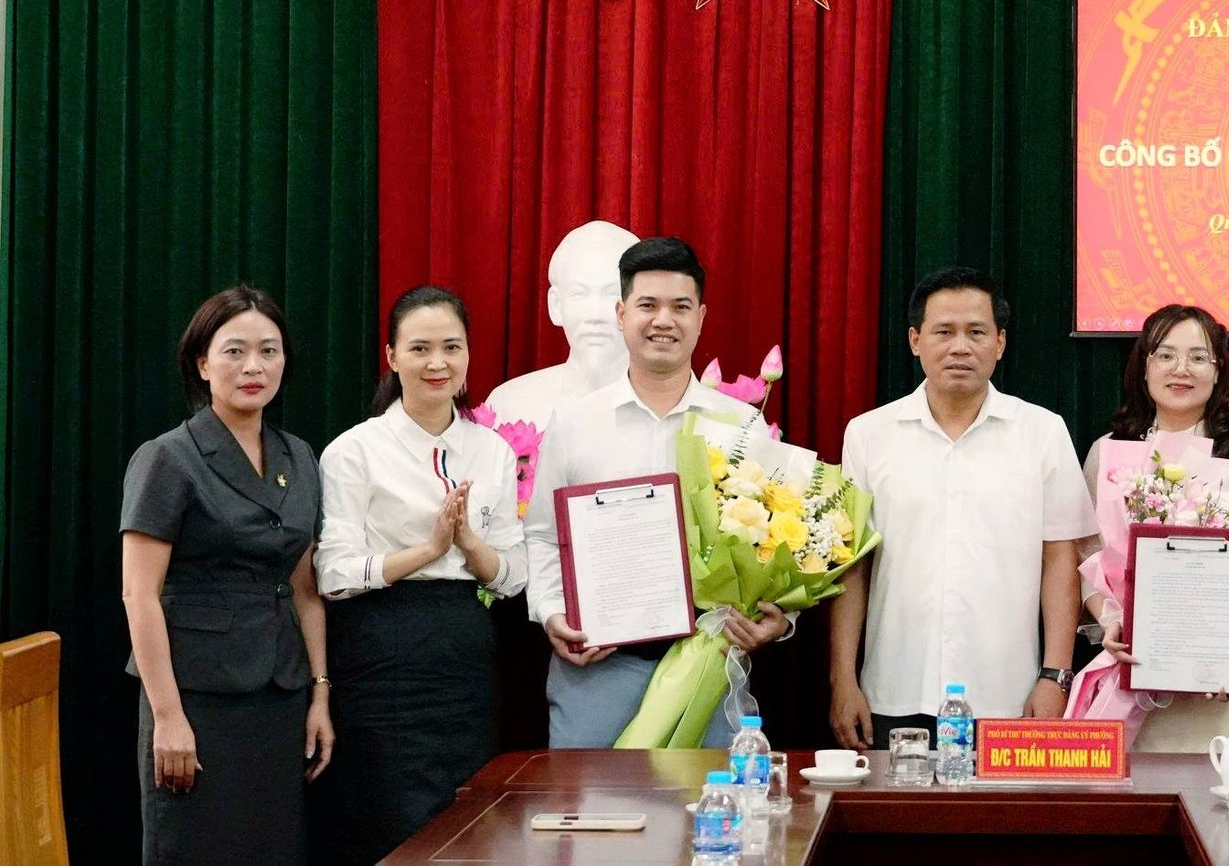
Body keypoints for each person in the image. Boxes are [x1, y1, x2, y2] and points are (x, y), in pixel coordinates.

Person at [524, 236, 791, 748]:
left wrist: (781, 619)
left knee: (709, 801)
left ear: (701, 317)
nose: (663, 320)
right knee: (590, 801)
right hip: (597, 668)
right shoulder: (575, 423)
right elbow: (541, 534)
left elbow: (778, 540)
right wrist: (553, 610)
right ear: (622, 313)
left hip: (708, 664)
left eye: (680, 307)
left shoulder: (742, 427)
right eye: (647, 305)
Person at [830, 267, 1094, 749]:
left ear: (1000, 343)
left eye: (976, 332)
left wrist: (1055, 675)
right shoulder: (868, 435)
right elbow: (852, 565)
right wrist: (843, 679)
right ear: (915, 341)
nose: (960, 347)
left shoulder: (1042, 432)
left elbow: (1060, 560)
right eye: (943, 332)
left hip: (1009, 695)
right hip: (894, 689)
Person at [311, 286, 527, 865]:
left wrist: (468, 543)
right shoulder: (354, 450)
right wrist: (429, 548)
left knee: (468, 814)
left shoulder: (493, 450)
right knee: (389, 810)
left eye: (452, 347)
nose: (438, 363)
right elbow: (333, 572)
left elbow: (512, 575)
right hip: (380, 645)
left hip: (462, 645)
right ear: (391, 356)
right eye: (420, 348)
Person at [120, 286, 333, 865]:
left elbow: (305, 589)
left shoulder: (299, 456)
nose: (253, 367)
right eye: (234, 351)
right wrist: (168, 718)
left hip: (280, 695)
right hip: (196, 697)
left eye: (269, 351)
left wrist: (319, 694)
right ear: (202, 363)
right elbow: (139, 594)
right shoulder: (168, 457)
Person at [1080, 304, 1229, 750]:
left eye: (1198, 357)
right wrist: (1112, 621)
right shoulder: (1109, 452)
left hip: (1223, 687)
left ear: (1218, 370)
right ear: (1144, 366)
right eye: (1165, 355)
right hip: (1130, 676)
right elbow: (1087, 560)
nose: (1181, 369)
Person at [484, 220, 639, 431]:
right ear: (556, 305)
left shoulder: (674, 408)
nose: (595, 314)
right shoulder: (510, 405)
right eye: (579, 294)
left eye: (613, 294)